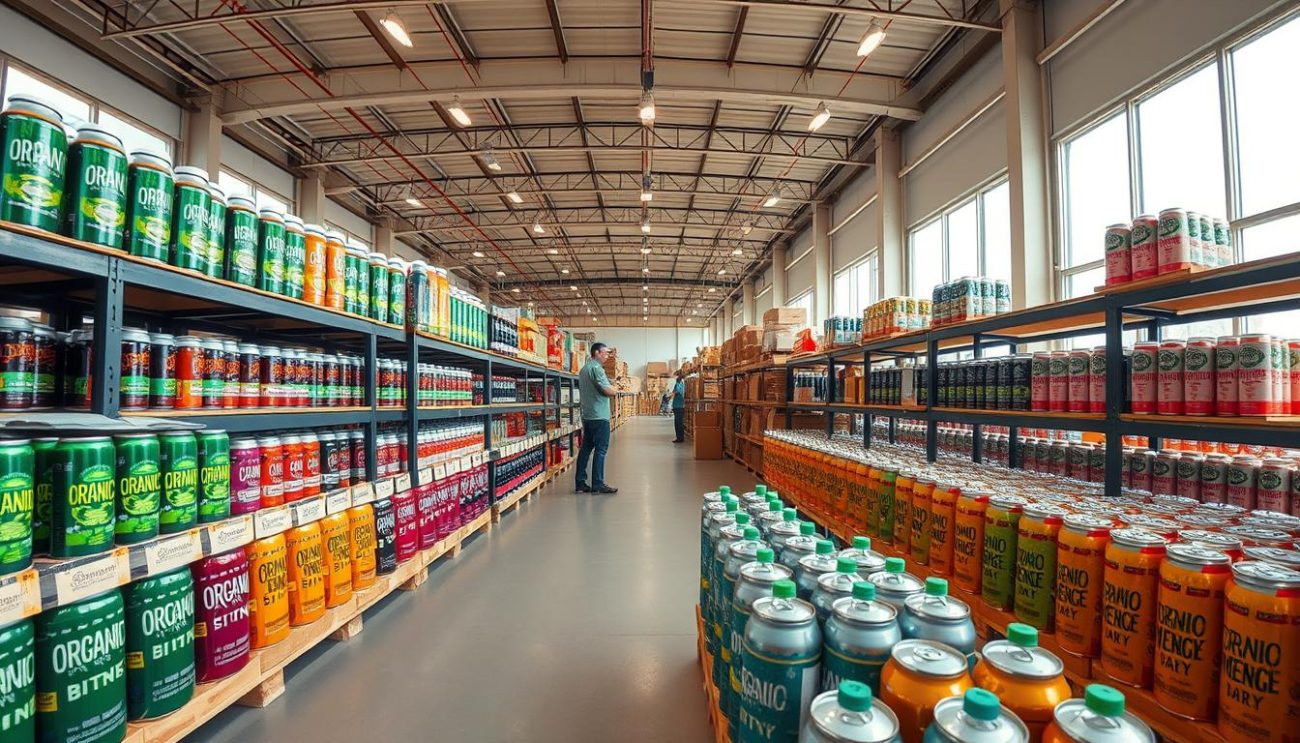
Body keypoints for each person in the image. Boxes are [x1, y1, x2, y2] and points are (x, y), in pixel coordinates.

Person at [576, 342, 619, 494]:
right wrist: (615, 390)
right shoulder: (596, 369)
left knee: (586, 448)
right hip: (599, 416)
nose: (607, 356)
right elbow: (607, 391)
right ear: (596, 353)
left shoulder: (584, 369)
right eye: (605, 353)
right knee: (601, 450)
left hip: (587, 415)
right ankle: (598, 484)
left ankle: (580, 482)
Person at [670, 371, 687, 443]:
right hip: (678, 406)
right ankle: (679, 437)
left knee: (678, 423)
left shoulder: (679, 384)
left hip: (679, 406)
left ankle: (680, 438)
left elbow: (677, 392)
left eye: (675, 376)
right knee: (678, 423)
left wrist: (670, 395)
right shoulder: (680, 384)